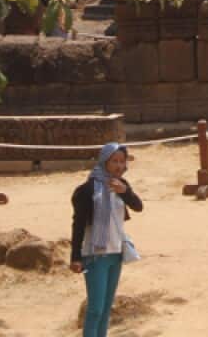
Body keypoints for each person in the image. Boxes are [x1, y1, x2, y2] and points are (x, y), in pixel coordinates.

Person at [71, 143, 143, 337]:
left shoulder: (122, 185)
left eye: (122, 161)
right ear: (105, 162)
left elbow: (138, 206)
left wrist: (124, 192)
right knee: (95, 309)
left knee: (106, 309)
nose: (119, 166)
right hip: (95, 256)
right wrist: (75, 257)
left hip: (116, 253)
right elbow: (78, 225)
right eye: (115, 161)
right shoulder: (87, 190)